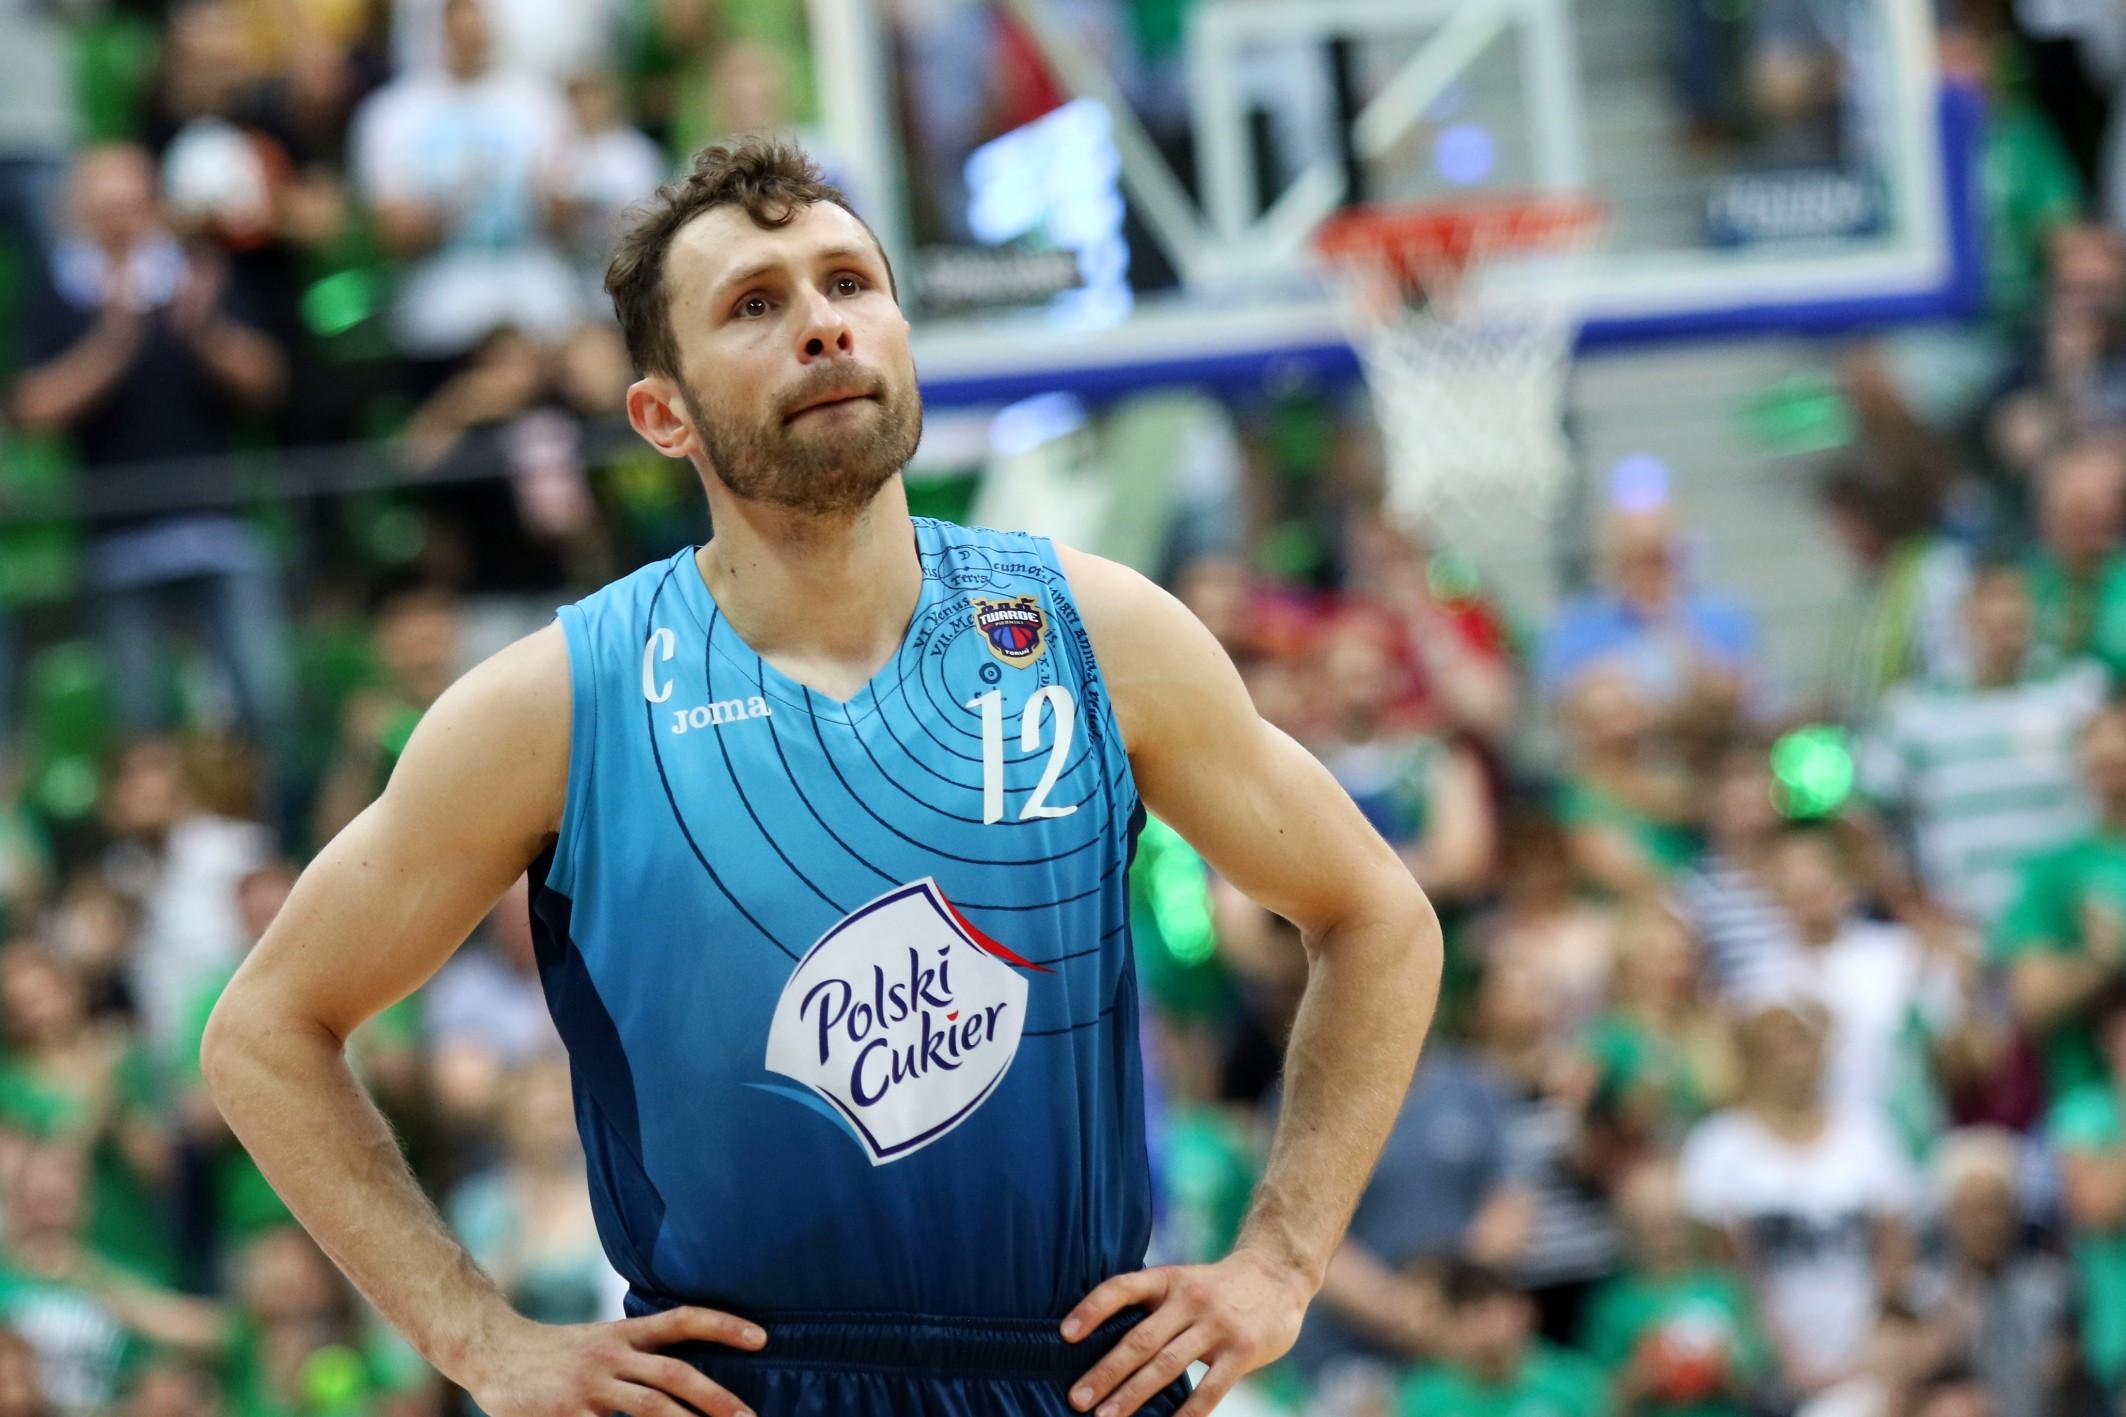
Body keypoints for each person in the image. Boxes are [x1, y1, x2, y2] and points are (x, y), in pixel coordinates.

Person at [201, 137, 1442, 1417]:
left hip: (1069, 1378)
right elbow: (264, 1031)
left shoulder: (1098, 633)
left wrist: (1280, 1261)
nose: (822, 325)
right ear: (663, 415)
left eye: (849, 283)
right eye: (754, 304)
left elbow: (1377, 917)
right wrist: (480, 1341)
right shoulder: (560, 702)